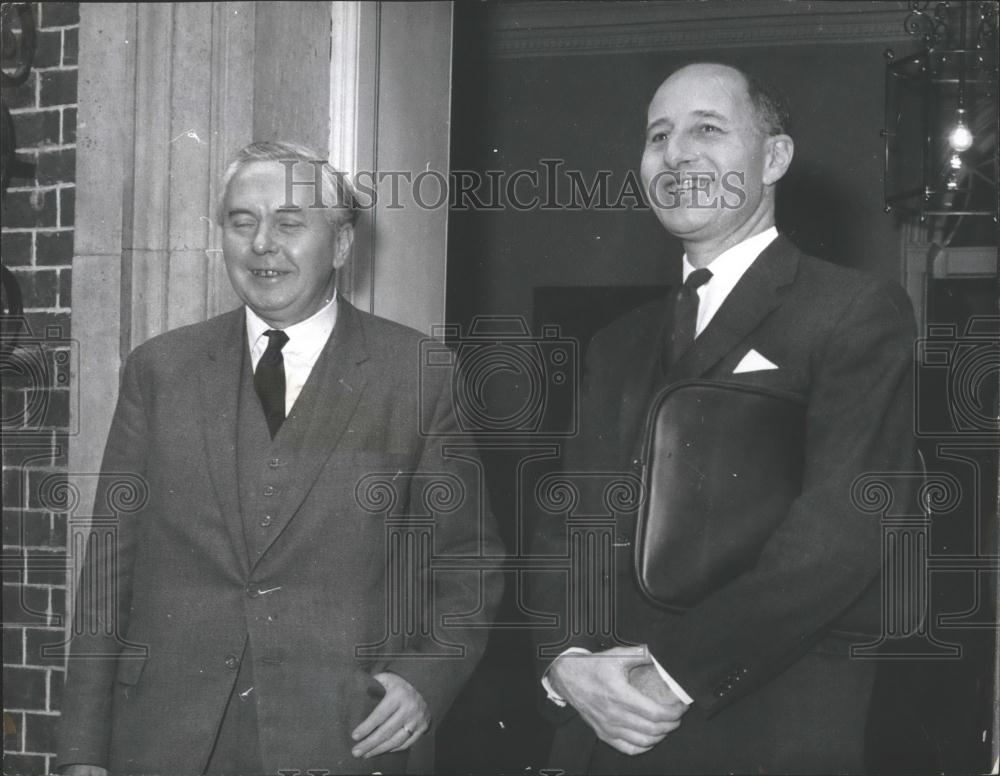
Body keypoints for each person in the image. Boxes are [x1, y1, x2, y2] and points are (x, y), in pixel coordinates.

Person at [56, 141, 504, 775]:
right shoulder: (161, 370)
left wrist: (425, 679)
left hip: (341, 737)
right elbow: (108, 570)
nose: (262, 243)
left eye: (289, 223)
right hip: (162, 742)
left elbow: (467, 563)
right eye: (243, 222)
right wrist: (82, 753)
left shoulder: (418, 375)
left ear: (342, 245)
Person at [531, 62, 918, 774]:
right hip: (602, 732)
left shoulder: (855, 313)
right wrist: (567, 662)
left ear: (773, 158)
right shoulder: (616, 345)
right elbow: (569, 521)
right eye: (658, 136)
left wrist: (670, 673)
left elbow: (840, 533)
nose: (676, 153)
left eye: (707, 129)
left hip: (762, 725)